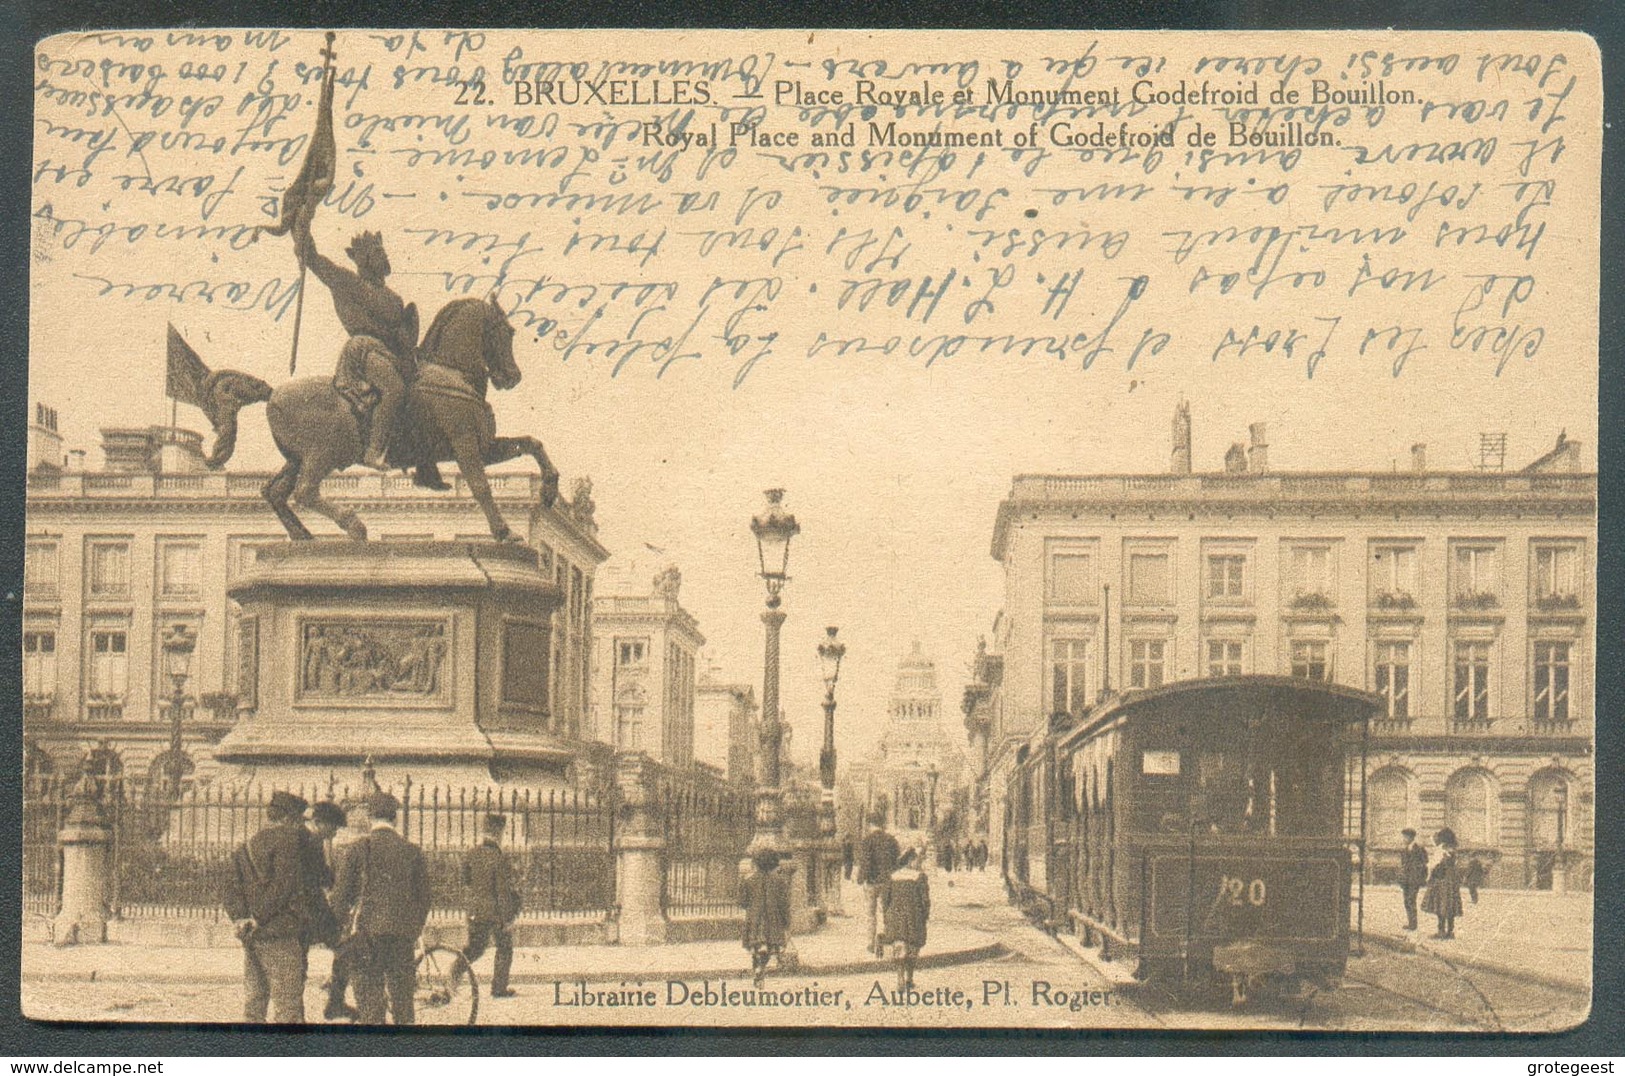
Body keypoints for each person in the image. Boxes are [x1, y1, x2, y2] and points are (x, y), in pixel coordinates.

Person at [292, 209, 445, 488]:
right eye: (376, 252)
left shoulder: (394, 299)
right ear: (364, 259)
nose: (383, 256)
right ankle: (374, 450)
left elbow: (405, 337)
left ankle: (426, 466)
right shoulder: (347, 282)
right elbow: (313, 259)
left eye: (382, 251)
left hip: (393, 354)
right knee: (394, 389)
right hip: (364, 351)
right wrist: (301, 225)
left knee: (423, 394)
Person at [331, 791, 432, 1025]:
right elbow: (424, 898)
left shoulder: (356, 849)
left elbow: (340, 898)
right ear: (394, 819)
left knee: (371, 1008)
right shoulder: (412, 851)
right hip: (401, 939)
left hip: (365, 936)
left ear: (370, 818)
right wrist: (412, 930)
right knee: (403, 1007)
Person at [221, 790, 312, 1023]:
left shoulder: (246, 844)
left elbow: (229, 886)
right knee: (288, 1010)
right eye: (299, 821)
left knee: (254, 1006)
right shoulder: (288, 841)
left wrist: (241, 918)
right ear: (288, 819)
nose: (300, 827)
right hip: (279, 934)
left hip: (252, 937)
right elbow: (284, 887)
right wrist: (258, 918)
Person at [303, 801, 359, 1021]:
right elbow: (313, 884)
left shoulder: (314, 841)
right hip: (308, 913)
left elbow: (325, 876)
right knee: (346, 949)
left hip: (314, 911)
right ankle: (335, 1001)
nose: (335, 832)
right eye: (333, 827)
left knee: (344, 949)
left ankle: (335, 1001)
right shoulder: (307, 841)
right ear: (318, 823)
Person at [462, 812, 520, 999]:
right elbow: (502, 892)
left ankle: (454, 973)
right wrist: (508, 919)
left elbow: (466, 881)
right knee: (504, 948)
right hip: (495, 913)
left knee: (475, 949)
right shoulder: (499, 858)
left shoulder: (471, 853)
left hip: (475, 910)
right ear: (499, 832)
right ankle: (498, 988)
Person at [739, 839, 793, 988]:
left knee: (756, 946)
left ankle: (757, 968)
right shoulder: (780, 881)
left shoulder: (748, 880)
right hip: (773, 920)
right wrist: (786, 924)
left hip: (754, 919)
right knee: (770, 947)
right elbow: (784, 905)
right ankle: (760, 968)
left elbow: (742, 903)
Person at [882, 847, 931, 991]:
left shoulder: (892, 876)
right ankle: (909, 979)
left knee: (899, 947)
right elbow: (925, 900)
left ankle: (899, 978)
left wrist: (887, 915)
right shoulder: (920, 877)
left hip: (896, 917)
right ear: (910, 861)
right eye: (917, 860)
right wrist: (925, 915)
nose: (919, 863)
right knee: (912, 948)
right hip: (914, 917)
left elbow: (885, 899)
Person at [856, 812, 901, 957]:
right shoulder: (891, 840)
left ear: (870, 824)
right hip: (887, 882)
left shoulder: (867, 840)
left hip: (871, 882)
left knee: (871, 914)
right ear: (881, 825)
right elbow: (897, 862)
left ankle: (870, 943)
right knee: (887, 912)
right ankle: (887, 939)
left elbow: (865, 862)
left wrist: (860, 878)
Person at [1422, 827, 1463, 940]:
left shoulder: (1441, 849)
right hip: (1452, 881)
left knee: (1440, 905)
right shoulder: (1453, 849)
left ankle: (1441, 931)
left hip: (1441, 880)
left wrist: (1429, 876)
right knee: (1450, 906)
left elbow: (1433, 865)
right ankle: (1450, 931)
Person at [1399, 827, 1429, 931]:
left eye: (1405, 837)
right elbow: (1403, 865)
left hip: (1414, 880)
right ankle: (1410, 922)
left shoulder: (1419, 849)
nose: (1403, 839)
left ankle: (1413, 924)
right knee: (1406, 901)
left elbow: (1425, 863)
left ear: (1411, 837)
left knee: (1411, 900)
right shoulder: (1404, 849)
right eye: (1403, 837)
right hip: (1405, 880)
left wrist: (1420, 877)